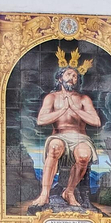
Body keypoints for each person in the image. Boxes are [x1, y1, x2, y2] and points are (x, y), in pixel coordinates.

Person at [26, 61, 103, 212]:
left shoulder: (83, 99)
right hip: (59, 135)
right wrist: (63, 110)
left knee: (84, 156)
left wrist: (75, 108)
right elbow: (41, 120)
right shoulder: (52, 98)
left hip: (80, 137)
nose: (71, 78)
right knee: (55, 147)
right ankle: (45, 194)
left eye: (75, 76)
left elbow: (96, 121)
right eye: (68, 74)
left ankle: (69, 192)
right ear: (60, 78)